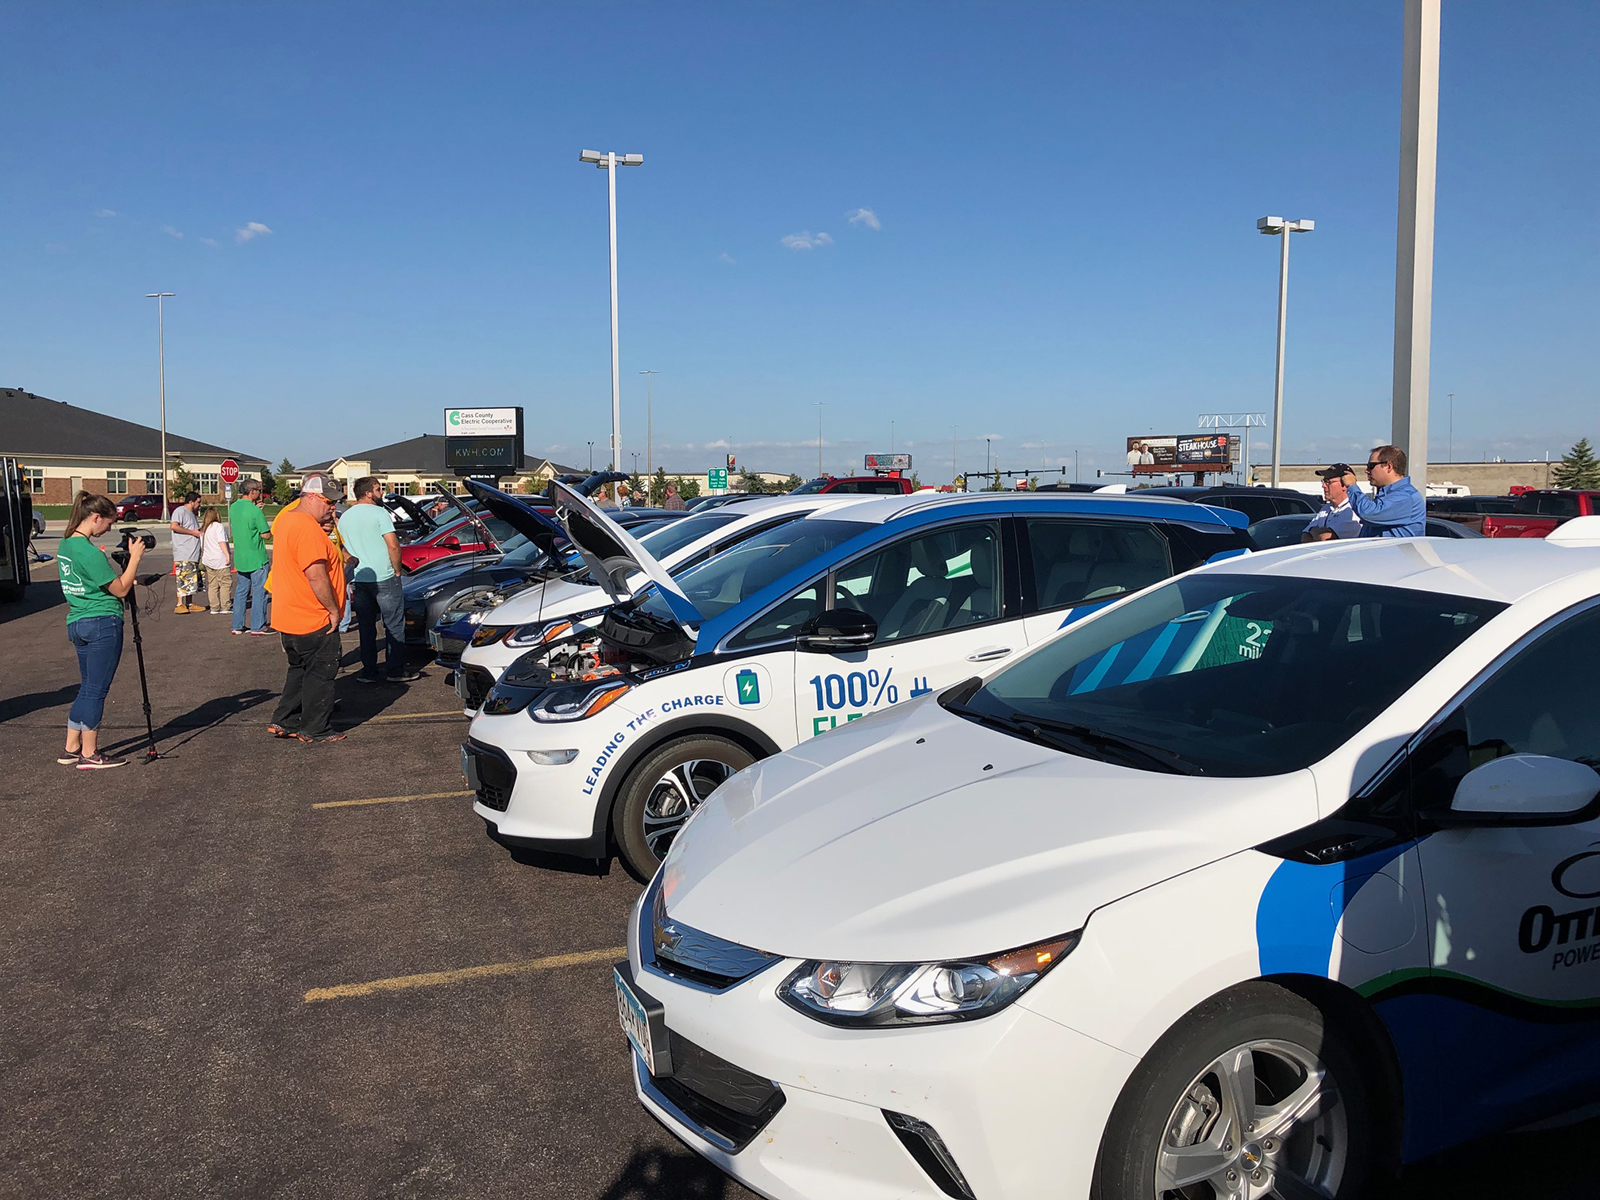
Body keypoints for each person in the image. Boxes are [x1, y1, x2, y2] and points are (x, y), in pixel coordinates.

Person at [55, 491, 146, 769]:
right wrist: (134, 559)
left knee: (86, 687)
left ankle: (72, 746)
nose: (109, 528)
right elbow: (119, 589)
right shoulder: (90, 552)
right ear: (95, 518)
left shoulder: (66, 546)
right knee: (97, 690)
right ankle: (90, 753)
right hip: (101, 621)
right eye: (108, 523)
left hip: (78, 619)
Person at [266, 473, 348, 743]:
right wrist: (333, 610)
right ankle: (315, 728)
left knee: (299, 670)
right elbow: (315, 574)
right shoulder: (306, 528)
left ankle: (285, 720)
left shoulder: (288, 520)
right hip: (313, 615)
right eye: (328, 501)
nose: (332, 507)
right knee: (321, 672)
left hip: (289, 614)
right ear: (311, 497)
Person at [337, 475, 413, 682]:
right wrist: (397, 569)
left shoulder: (345, 516)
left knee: (366, 625)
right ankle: (395, 669)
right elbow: (393, 544)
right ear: (369, 493)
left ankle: (369, 670)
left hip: (359, 577)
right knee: (394, 623)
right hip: (384, 575)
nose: (381, 493)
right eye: (379, 489)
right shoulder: (379, 513)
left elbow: (342, 547)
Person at [1341, 445, 1425, 538]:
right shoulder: (1385, 494)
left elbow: (1369, 513)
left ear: (1388, 467)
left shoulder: (1406, 497)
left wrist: (1352, 486)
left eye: (1371, 466)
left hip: (1394, 552)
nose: (1366, 471)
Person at [230, 479, 273, 635]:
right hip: (256, 556)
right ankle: (258, 625)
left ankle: (237, 625)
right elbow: (266, 534)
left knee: (241, 591)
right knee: (260, 591)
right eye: (259, 491)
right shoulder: (255, 512)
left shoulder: (233, 507)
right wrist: (258, 511)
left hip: (241, 556)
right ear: (253, 491)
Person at [1301, 464, 1363, 542]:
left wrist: (1313, 530)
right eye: (1323, 481)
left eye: (1328, 482)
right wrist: (1317, 532)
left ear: (1344, 485)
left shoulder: (1353, 510)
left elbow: (1326, 538)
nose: (1323, 485)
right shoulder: (1326, 508)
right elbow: (1305, 536)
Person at [169, 491, 204, 612]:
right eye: (198, 502)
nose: (199, 504)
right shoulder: (180, 511)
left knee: (191, 578)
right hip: (183, 552)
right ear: (191, 502)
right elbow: (174, 526)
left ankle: (189, 603)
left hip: (193, 553)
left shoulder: (192, 514)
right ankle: (179, 604)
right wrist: (192, 532)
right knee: (183, 577)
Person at [199, 506, 233, 613]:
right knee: (225, 583)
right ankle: (225, 606)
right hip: (219, 559)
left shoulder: (204, 529)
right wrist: (227, 555)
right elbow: (221, 542)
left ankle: (214, 607)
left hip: (208, 560)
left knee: (212, 584)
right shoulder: (218, 526)